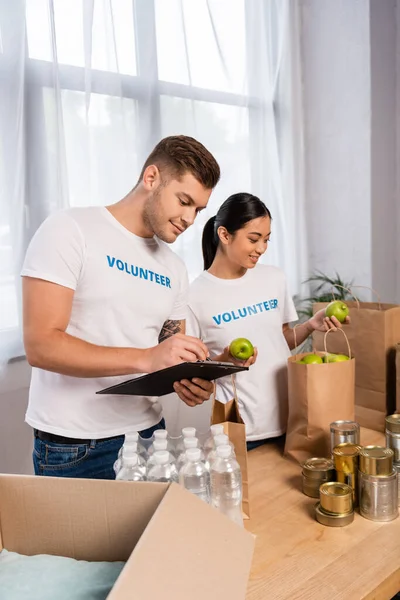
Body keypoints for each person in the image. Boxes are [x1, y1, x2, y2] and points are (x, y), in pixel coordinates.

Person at [22, 135, 221, 478]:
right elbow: (41, 345)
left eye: (198, 210)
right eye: (184, 201)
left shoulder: (173, 268)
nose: (190, 219)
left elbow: (167, 357)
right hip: (75, 445)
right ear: (151, 178)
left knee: (152, 535)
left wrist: (192, 378)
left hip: (148, 436)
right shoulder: (70, 230)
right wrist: (145, 357)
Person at [188, 193, 349, 451]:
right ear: (225, 235)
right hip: (244, 432)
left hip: (296, 421)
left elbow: (280, 341)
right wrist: (226, 360)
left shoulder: (274, 278)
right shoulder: (194, 296)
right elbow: (194, 372)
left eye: (266, 240)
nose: (261, 248)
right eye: (253, 239)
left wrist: (309, 326)